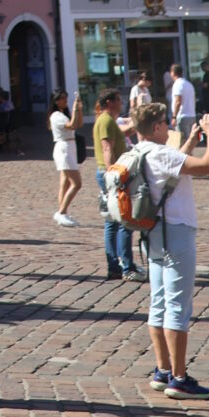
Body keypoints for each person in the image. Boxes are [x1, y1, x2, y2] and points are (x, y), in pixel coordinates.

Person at [133, 100, 209, 397]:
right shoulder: (162, 153)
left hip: (152, 232)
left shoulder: (138, 151)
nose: (168, 128)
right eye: (165, 124)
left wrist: (190, 142)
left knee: (157, 303)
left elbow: (171, 171)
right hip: (177, 231)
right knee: (178, 306)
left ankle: (163, 370)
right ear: (156, 127)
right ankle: (179, 377)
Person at [92, 90, 139, 281]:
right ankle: (125, 266)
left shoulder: (108, 121)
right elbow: (107, 147)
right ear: (109, 102)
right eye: (119, 100)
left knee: (112, 221)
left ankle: (116, 267)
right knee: (123, 221)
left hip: (109, 172)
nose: (122, 102)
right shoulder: (105, 120)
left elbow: (120, 136)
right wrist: (113, 174)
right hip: (111, 173)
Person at [48, 89, 84, 224]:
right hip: (64, 148)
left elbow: (78, 124)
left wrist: (78, 110)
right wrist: (75, 110)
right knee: (77, 183)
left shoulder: (63, 114)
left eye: (65, 98)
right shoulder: (56, 115)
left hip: (70, 146)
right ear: (55, 101)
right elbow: (71, 125)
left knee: (65, 182)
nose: (64, 100)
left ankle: (62, 211)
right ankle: (61, 212)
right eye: (61, 98)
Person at [168, 61, 195, 141]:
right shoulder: (188, 84)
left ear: (173, 73)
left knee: (182, 143)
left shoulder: (177, 84)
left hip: (182, 116)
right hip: (191, 115)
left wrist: (174, 117)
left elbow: (178, 101)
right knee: (189, 142)